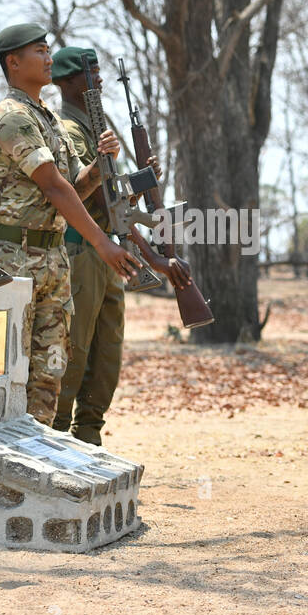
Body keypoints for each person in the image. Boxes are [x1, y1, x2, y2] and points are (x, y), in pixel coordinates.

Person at [0, 26, 140, 424]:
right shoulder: (12, 116)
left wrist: (98, 166)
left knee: (49, 372)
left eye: (49, 50)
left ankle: (41, 459)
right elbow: (53, 186)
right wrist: (103, 243)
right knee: (7, 366)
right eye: (40, 51)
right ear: (13, 62)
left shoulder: (47, 117)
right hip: (15, 256)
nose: (49, 57)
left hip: (51, 257)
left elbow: (74, 187)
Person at [48, 46, 190, 445]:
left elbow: (115, 205)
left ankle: (89, 435)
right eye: (89, 72)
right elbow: (77, 193)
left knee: (107, 353)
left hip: (107, 253)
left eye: (98, 70)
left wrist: (140, 181)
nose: (99, 78)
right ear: (67, 80)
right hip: (80, 251)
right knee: (74, 350)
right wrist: (106, 165)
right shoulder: (66, 130)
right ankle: (58, 437)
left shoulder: (97, 129)